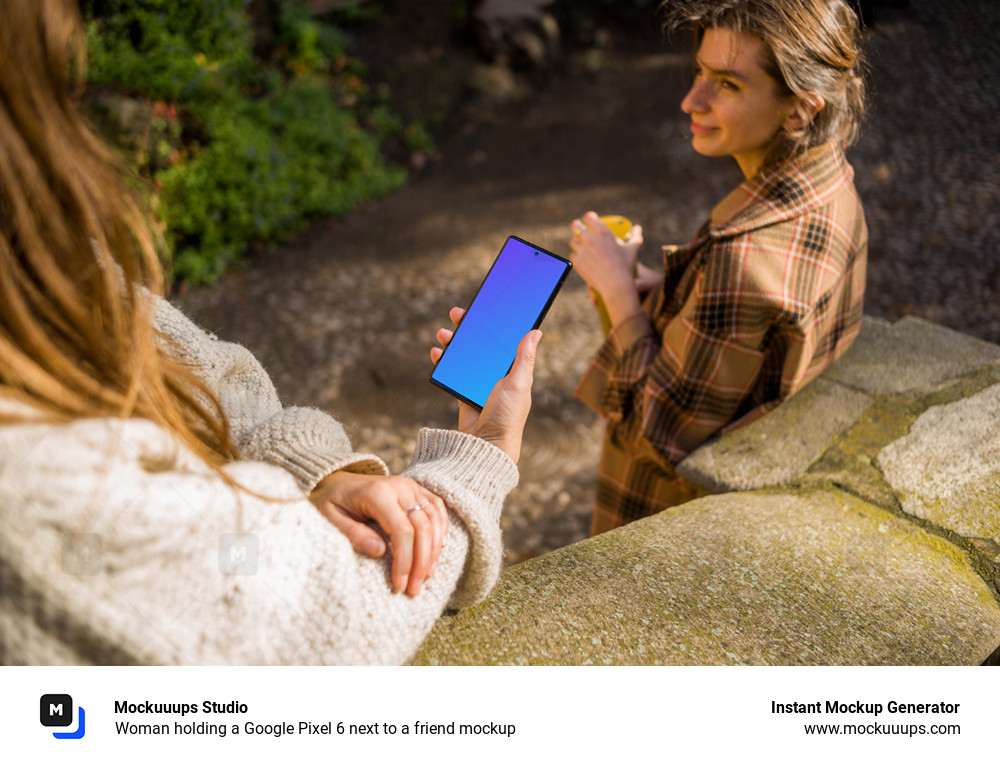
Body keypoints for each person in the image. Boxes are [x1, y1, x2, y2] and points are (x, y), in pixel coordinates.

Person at [0, 0, 539, 664]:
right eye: (56, 78)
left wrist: (317, 474)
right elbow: (327, 606)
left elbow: (202, 370)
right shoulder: (27, 477)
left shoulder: (36, 263)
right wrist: (479, 461)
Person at [568, 0, 868, 535]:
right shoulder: (834, 186)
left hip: (666, 529)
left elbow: (658, 432)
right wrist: (667, 289)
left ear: (800, 109)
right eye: (700, 72)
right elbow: (763, 336)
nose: (691, 100)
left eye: (727, 84)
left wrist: (616, 291)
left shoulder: (743, 257)